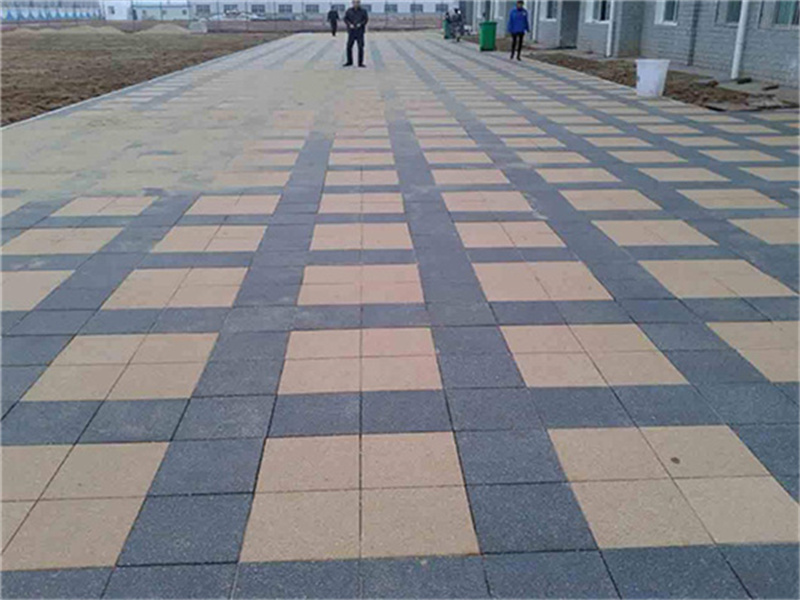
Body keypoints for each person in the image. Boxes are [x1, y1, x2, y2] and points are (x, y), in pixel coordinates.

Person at [343, 0, 369, 68]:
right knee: (349, 47)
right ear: (352, 3)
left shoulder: (363, 11)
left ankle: (360, 63)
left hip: (360, 31)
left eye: (357, 2)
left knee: (360, 47)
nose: (356, 4)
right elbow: (345, 19)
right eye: (354, 2)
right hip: (351, 31)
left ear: (359, 3)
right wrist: (349, 24)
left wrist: (361, 24)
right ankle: (349, 61)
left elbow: (366, 19)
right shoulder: (349, 11)